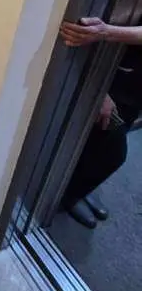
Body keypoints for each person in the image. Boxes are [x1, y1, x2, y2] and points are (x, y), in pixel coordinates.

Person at [59, 17, 142, 228]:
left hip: (133, 88)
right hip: (115, 79)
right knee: (113, 155)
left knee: (97, 147)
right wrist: (100, 91)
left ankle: (76, 189)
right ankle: (66, 196)